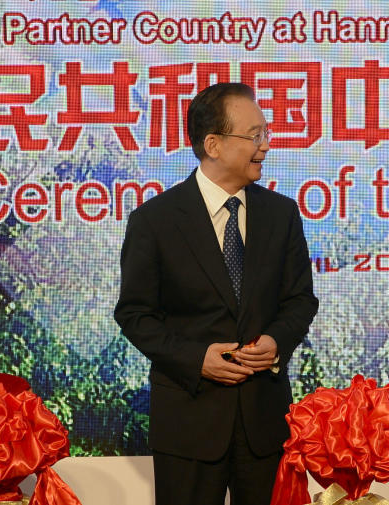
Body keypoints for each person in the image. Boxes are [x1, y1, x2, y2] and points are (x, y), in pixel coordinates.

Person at [114, 82, 319, 505]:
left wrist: (276, 342)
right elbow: (135, 314)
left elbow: (300, 300)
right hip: (189, 424)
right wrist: (196, 359)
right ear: (213, 144)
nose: (266, 144)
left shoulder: (281, 214)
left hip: (263, 425)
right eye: (255, 135)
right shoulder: (154, 221)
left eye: (265, 132)